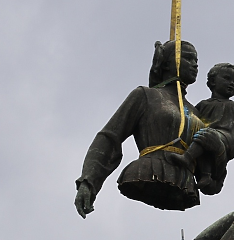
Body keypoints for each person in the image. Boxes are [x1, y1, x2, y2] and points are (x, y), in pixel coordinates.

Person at [74, 40, 224, 213]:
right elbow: (109, 137)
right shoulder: (146, 96)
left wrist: (219, 151)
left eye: (196, 61)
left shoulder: (197, 112)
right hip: (147, 173)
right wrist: (88, 181)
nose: (195, 65)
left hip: (184, 183)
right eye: (188, 58)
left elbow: (211, 186)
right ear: (168, 62)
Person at [166, 63, 234, 195]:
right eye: (227, 79)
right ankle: (206, 176)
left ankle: (187, 158)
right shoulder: (203, 104)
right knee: (200, 140)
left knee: (205, 136)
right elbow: (191, 117)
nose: (232, 83)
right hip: (205, 136)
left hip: (226, 139)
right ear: (212, 81)